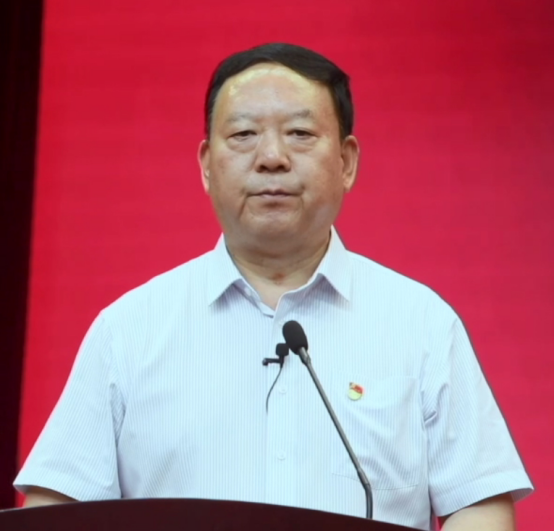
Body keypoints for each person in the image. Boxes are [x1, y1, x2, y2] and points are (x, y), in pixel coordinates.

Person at [14, 43, 533, 530]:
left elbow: (479, 503)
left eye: (300, 133)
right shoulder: (129, 330)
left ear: (347, 162)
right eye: (243, 135)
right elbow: (56, 505)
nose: (271, 157)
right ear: (206, 166)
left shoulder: (420, 324)